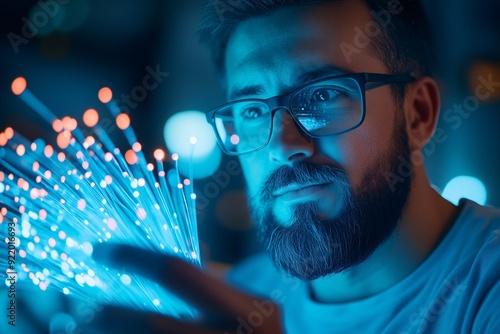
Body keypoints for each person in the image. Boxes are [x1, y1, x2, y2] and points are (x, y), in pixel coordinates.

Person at [89, 0, 500, 333]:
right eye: (251, 112)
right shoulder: (236, 301)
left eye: (322, 96)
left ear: (418, 114)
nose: (284, 146)